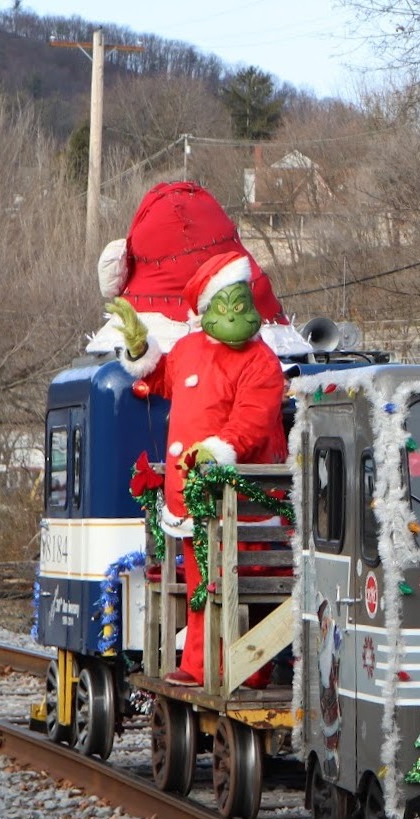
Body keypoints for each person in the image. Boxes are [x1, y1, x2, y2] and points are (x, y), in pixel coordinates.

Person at [110, 251, 288, 687]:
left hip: (240, 501)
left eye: (241, 304)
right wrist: (140, 349)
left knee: (241, 582)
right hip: (190, 499)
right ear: (207, 310)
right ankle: (198, 664)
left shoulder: (260, 362)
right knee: (200, 585)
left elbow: (252, 420)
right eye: (225, 305)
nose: (236, 315)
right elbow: (158, 380)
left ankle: (247, 668)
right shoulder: (188, 350)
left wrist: (219, 450)